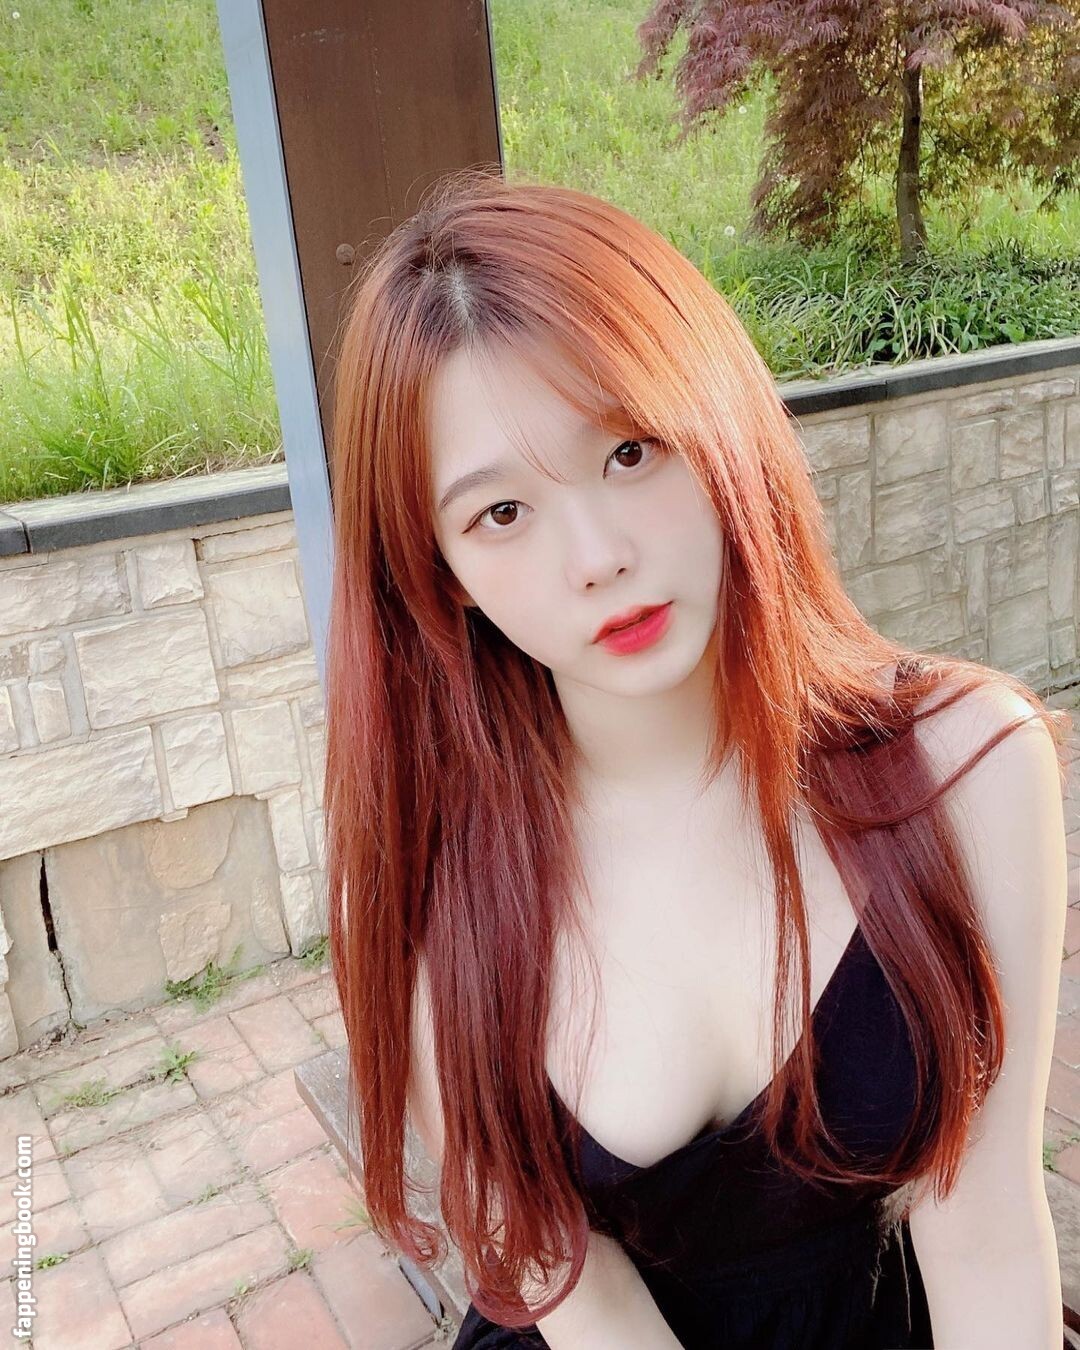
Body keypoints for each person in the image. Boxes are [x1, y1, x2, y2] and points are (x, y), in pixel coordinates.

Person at [322, 167, 1071, 1349]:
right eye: (500, 514)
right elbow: (576, 1289)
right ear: (438, 571)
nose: (598, 556)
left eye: (630, 451)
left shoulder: (967, 769)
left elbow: (984, 1233)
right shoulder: (434, 878)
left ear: (717, 422)